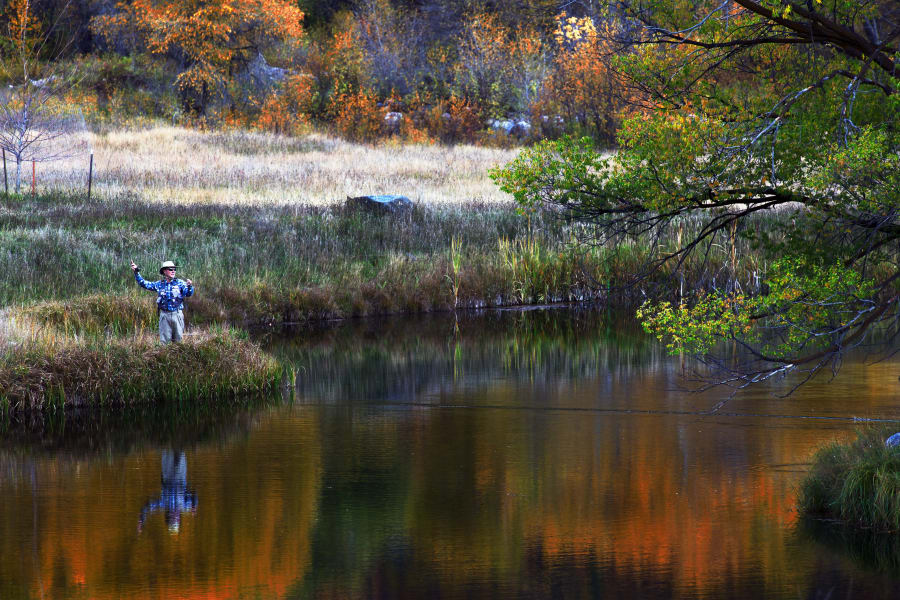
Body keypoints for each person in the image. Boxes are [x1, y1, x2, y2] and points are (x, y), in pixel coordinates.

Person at [130, 259, 194, 344]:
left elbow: (189, 294)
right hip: (164, 316)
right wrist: (136, 272)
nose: (173, 271)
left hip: (177, 315)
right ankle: (164, 357)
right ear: (164, 271)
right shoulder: (160, 284)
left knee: (179, 342)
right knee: (164, 343)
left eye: (174, 269)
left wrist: (189, 286)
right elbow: (144, 283)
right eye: (170, 269)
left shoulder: (181, 283)